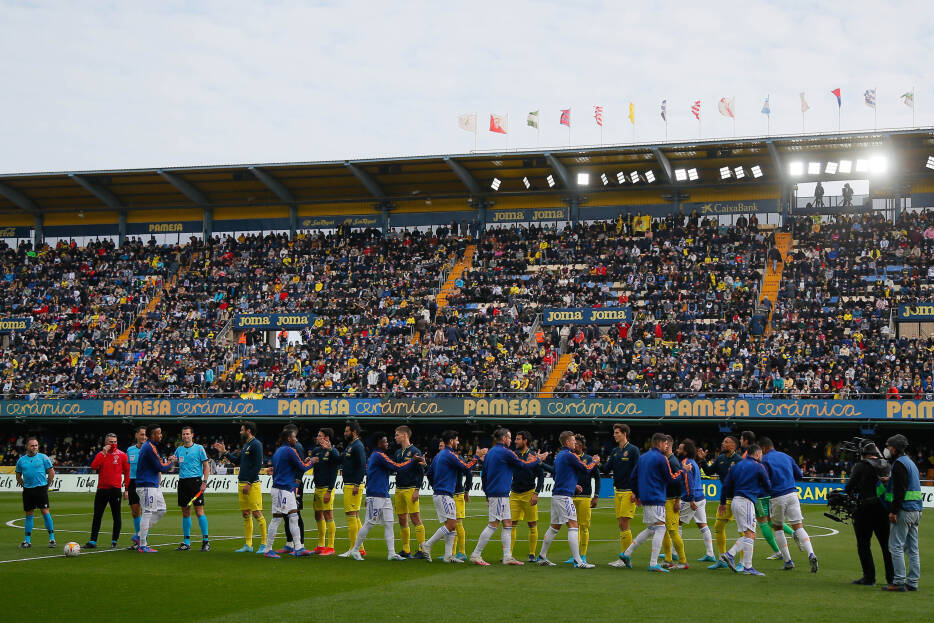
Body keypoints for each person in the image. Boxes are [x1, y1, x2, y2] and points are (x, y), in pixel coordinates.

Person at [340, 432, 425, 561]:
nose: (387, 443)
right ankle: (356, 550)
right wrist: (413, 461)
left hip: (384, 495)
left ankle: (391, 553)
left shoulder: (378, 456)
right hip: (376, 495)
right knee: (369, 523)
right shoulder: (379, 456)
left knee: (390, 523)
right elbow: (397, 467)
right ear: (378, 443)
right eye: (385, 441)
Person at [470, 428, 546, 566]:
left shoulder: (491, 452)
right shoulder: (506, 452)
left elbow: (484, 475)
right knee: (493, 524)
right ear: (504, 438)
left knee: (507, 523)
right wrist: (537, 459)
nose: (511, 440)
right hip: (500, 493)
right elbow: (523, 465)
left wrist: (487, 493)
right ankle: (476, 554)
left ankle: (507, 556)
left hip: (497, 493)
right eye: (510, 437)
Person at [616, 433, 682, 572]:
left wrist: (637, 494)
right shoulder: (662, 458)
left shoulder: (643, 457)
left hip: (646, 497)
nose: (667, 446)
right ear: (660, 443)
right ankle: (653, 563)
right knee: (660, 528)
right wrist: (683, 472)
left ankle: (626, 553)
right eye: (665, 444)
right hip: (656, 497)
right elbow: (670, 478)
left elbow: (633, 477)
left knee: (651, 529)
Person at [537, 431, 597, 568]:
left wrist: (573, 485)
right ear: (567, 442)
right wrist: (594, 461)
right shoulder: (570, 456)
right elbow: (586, 469)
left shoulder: (559, 456)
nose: (575, 442)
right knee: (573, 525)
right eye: (573, 440)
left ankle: (542, 556)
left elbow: (558, 475)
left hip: (557, 494)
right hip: (564, 496)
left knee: (554, 527)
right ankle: (578, 561)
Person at [760, 437, 818, 572]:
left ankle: (788, 561)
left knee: (778, 528)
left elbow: (764, 480)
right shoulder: (787, 456)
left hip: (777, 496)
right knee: (799, 527)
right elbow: (799, 475)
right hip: (792, 494)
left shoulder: (765, 460)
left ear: (763, 448)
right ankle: (811, 553)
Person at [419, 430, 478, 562]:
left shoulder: (439, 456)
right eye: (457, 440)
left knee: (450, 526)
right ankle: (427, 545)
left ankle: (448, 556)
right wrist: (477, 457)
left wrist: (436, 486)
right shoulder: (450, 455)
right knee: (452, 525)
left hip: (440, 493)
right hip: (445, 494)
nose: (458, 442)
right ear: (451, 441)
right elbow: (466, 467)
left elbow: (428, 473)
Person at [844, 440, 894, 586]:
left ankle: (869, 577)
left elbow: (850, 487)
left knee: (864, 544)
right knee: (887, 546)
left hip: (865, 510)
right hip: (883, 509)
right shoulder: (886, 465)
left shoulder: (860, 466)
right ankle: (892, 578)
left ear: (864, 454)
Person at [214, 421, 267, 553]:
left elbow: (257, 466)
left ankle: (264, 544)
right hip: (241, 483)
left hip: (252, 484)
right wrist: (225, 452)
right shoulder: (246, 445)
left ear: (248, 431)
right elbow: (237, 461)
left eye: (242, 430)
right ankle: (248, 545)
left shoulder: (256, 444)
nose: (240, 432)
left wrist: (249, 483)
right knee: (245, 513)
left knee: (257, 513)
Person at [718, 444, 771, 576]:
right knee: (750, 534)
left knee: (750, 534)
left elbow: (725, 485)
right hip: (746, 502)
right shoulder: (758, 466)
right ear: (758, 454)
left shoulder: (736, 466)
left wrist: (723, 503)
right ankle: (731, 555)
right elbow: (768, 485)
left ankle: (747, 566)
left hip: (735, 501)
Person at [262, 427, 314, 558]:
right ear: (289, 439)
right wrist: (312, 462)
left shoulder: (279, 451)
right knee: (277, 519)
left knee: (293, 517)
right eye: (294, 437)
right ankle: (268, 549)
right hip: (283, 489)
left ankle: (298, 548)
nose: (296, 439)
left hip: (283, 488)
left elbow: (286, 467)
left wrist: (305, 462)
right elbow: (302, 467)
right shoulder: (291, 450)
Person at [882, 434, 923, 592]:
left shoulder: (898, 464)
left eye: (889, 446)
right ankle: (912, 582)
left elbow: (900, 490)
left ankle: (898, 581)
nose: (887, 449)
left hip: (904, 510)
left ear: (895, 448)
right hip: (916, 510)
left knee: (895, 546)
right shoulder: (910, 463)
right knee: (912, 548)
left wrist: (893, 511)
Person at [697, 435, 741, 567]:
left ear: (734, 445)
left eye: (726, 442)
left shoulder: (739, 461)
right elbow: (709, 472)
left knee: (744, 531)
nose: (723, 443)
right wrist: (703, 460)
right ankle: (722, 559)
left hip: (739, 499)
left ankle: (743, 563)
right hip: (725, 500)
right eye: (723, 441)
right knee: (718, 527)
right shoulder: (721, 459)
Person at [85, 433, 129, 549]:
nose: (113, 444)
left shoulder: (122, 455)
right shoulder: (101, 454)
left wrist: (127, 489)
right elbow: (94, 466)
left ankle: (114, 540)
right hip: (102, 489)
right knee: (97, 516)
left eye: (115, 442)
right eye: (111, 442)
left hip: (115, 489)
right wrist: (103, 453)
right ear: (106, 443)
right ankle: (93, 541)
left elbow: (127, 472)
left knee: (116, 516)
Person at [135, 425, 174, 553]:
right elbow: (160, 467)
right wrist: (171, 462)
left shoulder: (151, 447)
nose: (161, 435)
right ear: (152, 435)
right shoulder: (149, 447)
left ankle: (139, 535)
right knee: (147, 512)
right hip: (146, 484)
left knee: (162, 509)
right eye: (159, 433)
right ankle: (142, 545)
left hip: (152, 484)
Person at [509, 430, 547, 563]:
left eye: (518, 439)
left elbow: (541, 476)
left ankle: (532, 554)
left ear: (525, 441)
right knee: (511, 524)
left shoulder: (533, 455)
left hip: (529, 493)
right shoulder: (514, 455)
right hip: (514, 493)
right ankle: (509, 554)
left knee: (532, 524)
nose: (515, 441)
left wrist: (536, 493)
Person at [606, 423, 640, 567]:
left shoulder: (633, 450)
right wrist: (594, 463)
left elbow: (638, 471)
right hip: (617, 490)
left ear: (624, 434)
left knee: (624, 523)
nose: (614, 435)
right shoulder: (615, 451)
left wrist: (636, 492)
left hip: (628, 491)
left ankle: (626, 558)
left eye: (617, 433)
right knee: (621, 524)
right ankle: (624, 557)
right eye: (614, 433)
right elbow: (606, 468)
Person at [678, 439, 716, 563]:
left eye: (680, 448)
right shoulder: (693, 462)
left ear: (685, 451)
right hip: (701, 497)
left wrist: (691, 499)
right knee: (702, 524)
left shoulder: (686, 462)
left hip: (691, 498)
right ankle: (710, 554)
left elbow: (689, 481)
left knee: (676, 523)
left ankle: (673, 552)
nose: (678, 450)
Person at [564, 434, 599, 565]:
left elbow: (598, 477)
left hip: (585, 497)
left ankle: (583, 555)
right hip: (571, 496)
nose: (575, 446)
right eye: (574, 443)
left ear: (582, 446)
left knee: (584, 526)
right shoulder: (570, 458)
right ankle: (575, 555)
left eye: (577, 444)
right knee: (573, 527)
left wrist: (596, 495)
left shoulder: (589, 459)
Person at [173, 426, 210, 551]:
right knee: (185, 512)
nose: (185, 436)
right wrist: (171, 461)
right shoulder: (179, 450)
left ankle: (206, 541)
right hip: (183, 483)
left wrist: (204, 481)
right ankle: (186, 542)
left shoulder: (199, 448)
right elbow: (173, 464)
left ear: (192, 435)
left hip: (195, 482)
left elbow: (206, 466)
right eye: (183, 434)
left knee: (199, 512)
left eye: (187, 434)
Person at [15, 437, 56, 549]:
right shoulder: (21, 460)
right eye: (32, 445)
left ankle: (52, 539)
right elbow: (18, 475)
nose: (35, 447)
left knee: (45, 512)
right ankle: (27, 541)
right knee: (29, 514)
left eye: (36, 445)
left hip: (41, 488)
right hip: (28, 490)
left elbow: (51, 472)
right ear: (27, 447)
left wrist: (47, 485)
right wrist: (24, 485)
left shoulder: (43, 458)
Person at [393, 425, 425, 558]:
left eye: (397, 435)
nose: (395, 437)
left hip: (411, 488)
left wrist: (417, 490)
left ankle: (422, 549)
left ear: (405, 435)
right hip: (399, 489)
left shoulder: (415, 451)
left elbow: (421, 472)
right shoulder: (397, 453)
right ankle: (406, 550)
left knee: (415, 517)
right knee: (401, 518)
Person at [311, 428, 340, 555]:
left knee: (328, 515)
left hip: (326, 488)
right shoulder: (316, 451)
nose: (317, 437)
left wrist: (329, 490)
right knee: (318, 515)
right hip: (317, 488)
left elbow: (334, 472)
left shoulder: (333, 452)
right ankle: (321, 545)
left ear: (327, 438)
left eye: (320, 435)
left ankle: (331, 547)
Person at [660, 435, 688, 569]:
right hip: (665, 499)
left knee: (673, 531)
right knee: (663, 530)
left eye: (663, 444)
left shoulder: (673, 461)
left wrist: (678, 500)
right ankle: (668, 559)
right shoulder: (666, 460)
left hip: (671, 501)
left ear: (668, 445)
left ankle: (683, 561)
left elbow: (680, 482)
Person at [279, 424, 306, 554]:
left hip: (294, 485)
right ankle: (289, 543)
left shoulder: (297, 447)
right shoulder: (286, 447)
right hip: (286, 484)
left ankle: (300, 544)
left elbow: (301, 467)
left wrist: (296, 484)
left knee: (296, 514)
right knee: (286, 513)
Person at [341, 421, 367, 556]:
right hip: (350, 483)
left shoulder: (358, 446)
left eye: (347, 431)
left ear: (354, 432)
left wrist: (357, 483)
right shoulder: (351, 445)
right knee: (355, 516)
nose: (345, 434)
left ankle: (353, 548)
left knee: (351, 515)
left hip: (353, 485)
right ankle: (360, 548)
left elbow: (362, 465)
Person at [126, 426, 146, 549]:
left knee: (146, 512)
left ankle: (143, 538)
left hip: (145, 482)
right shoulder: (130, 450)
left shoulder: (150, 449)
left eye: (145, 435)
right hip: (133, 482)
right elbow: (128, 469)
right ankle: (138, 540)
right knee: (135, 511)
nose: (143, 437)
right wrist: (126, 488)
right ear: (136, 435)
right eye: (142, 434)